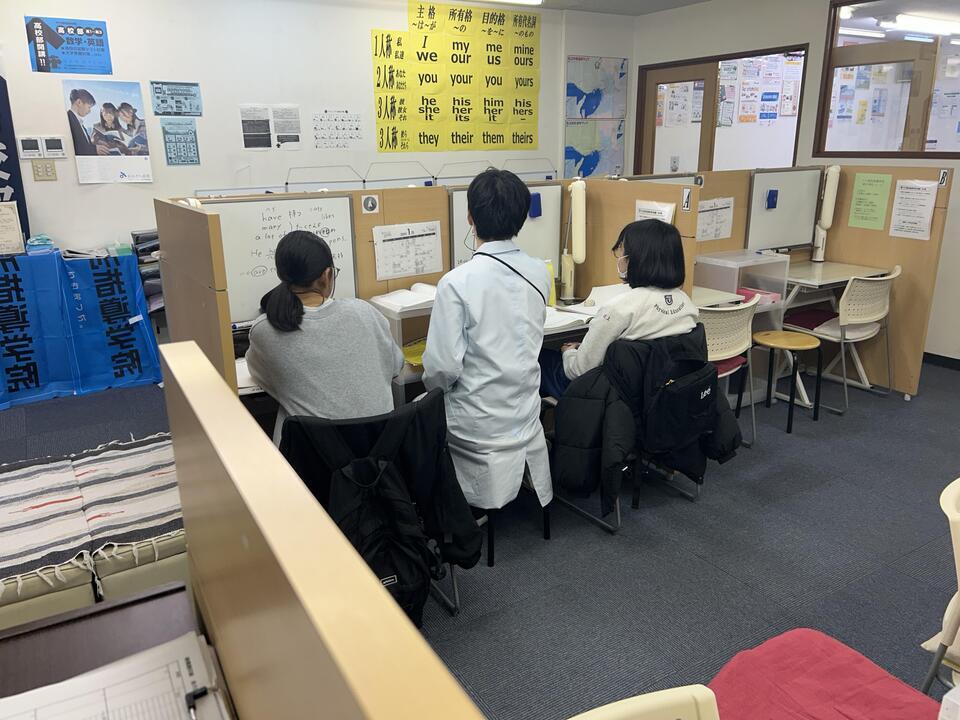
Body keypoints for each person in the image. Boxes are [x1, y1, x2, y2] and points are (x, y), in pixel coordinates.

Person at [422, 168, 553, 511]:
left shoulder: (456, 283)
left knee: (419, 406)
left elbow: (441, 370)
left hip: (478, 425)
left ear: (470, 216)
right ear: (522, 218)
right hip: (526, 414)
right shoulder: (539, 271)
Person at [245, 230, 404, 444]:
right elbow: (395, 366)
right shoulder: (365, 311)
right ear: (327, 274)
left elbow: (265, 378)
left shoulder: (265, 329)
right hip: (380, 451)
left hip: (312, 459)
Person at [539, 219, 699, 398]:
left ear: (635, 258)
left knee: (538, 358)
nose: (620, 256)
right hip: (659, 395)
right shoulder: (687, 304)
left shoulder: (619, 309)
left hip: (609, 398)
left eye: (622, 249)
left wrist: (568, 352)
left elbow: (578, 371)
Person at [67, 88, 107, 156]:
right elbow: (74, 147)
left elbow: (83, 144)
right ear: (79, 102)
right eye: (89, 107)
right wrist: (94, 150)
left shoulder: (78, 122)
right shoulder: (69, 119)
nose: (89, 111)